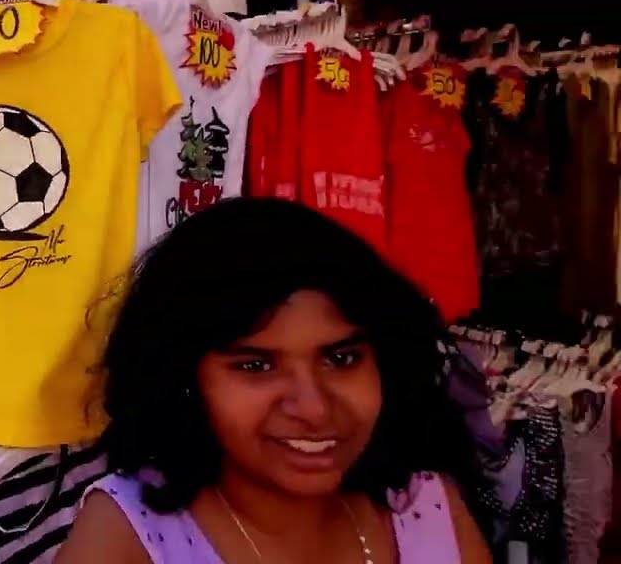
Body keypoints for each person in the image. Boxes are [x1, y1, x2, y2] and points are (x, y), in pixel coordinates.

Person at [55, 197, 492, 564]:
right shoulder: (128, 535)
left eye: (341, 359)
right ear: (185, 378)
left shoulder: (425, 508)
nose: (314, 409)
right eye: (256, 366)